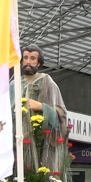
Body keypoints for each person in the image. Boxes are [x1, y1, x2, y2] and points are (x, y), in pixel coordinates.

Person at [17, 45, 68, 173]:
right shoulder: (14, 85)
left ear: (38, 63)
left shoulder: (46, 82)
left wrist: (42, 107)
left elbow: (62, 114)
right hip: (17, 141)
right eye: (25, 58)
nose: (28, 62)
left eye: (32, 58)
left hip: (40, 142)